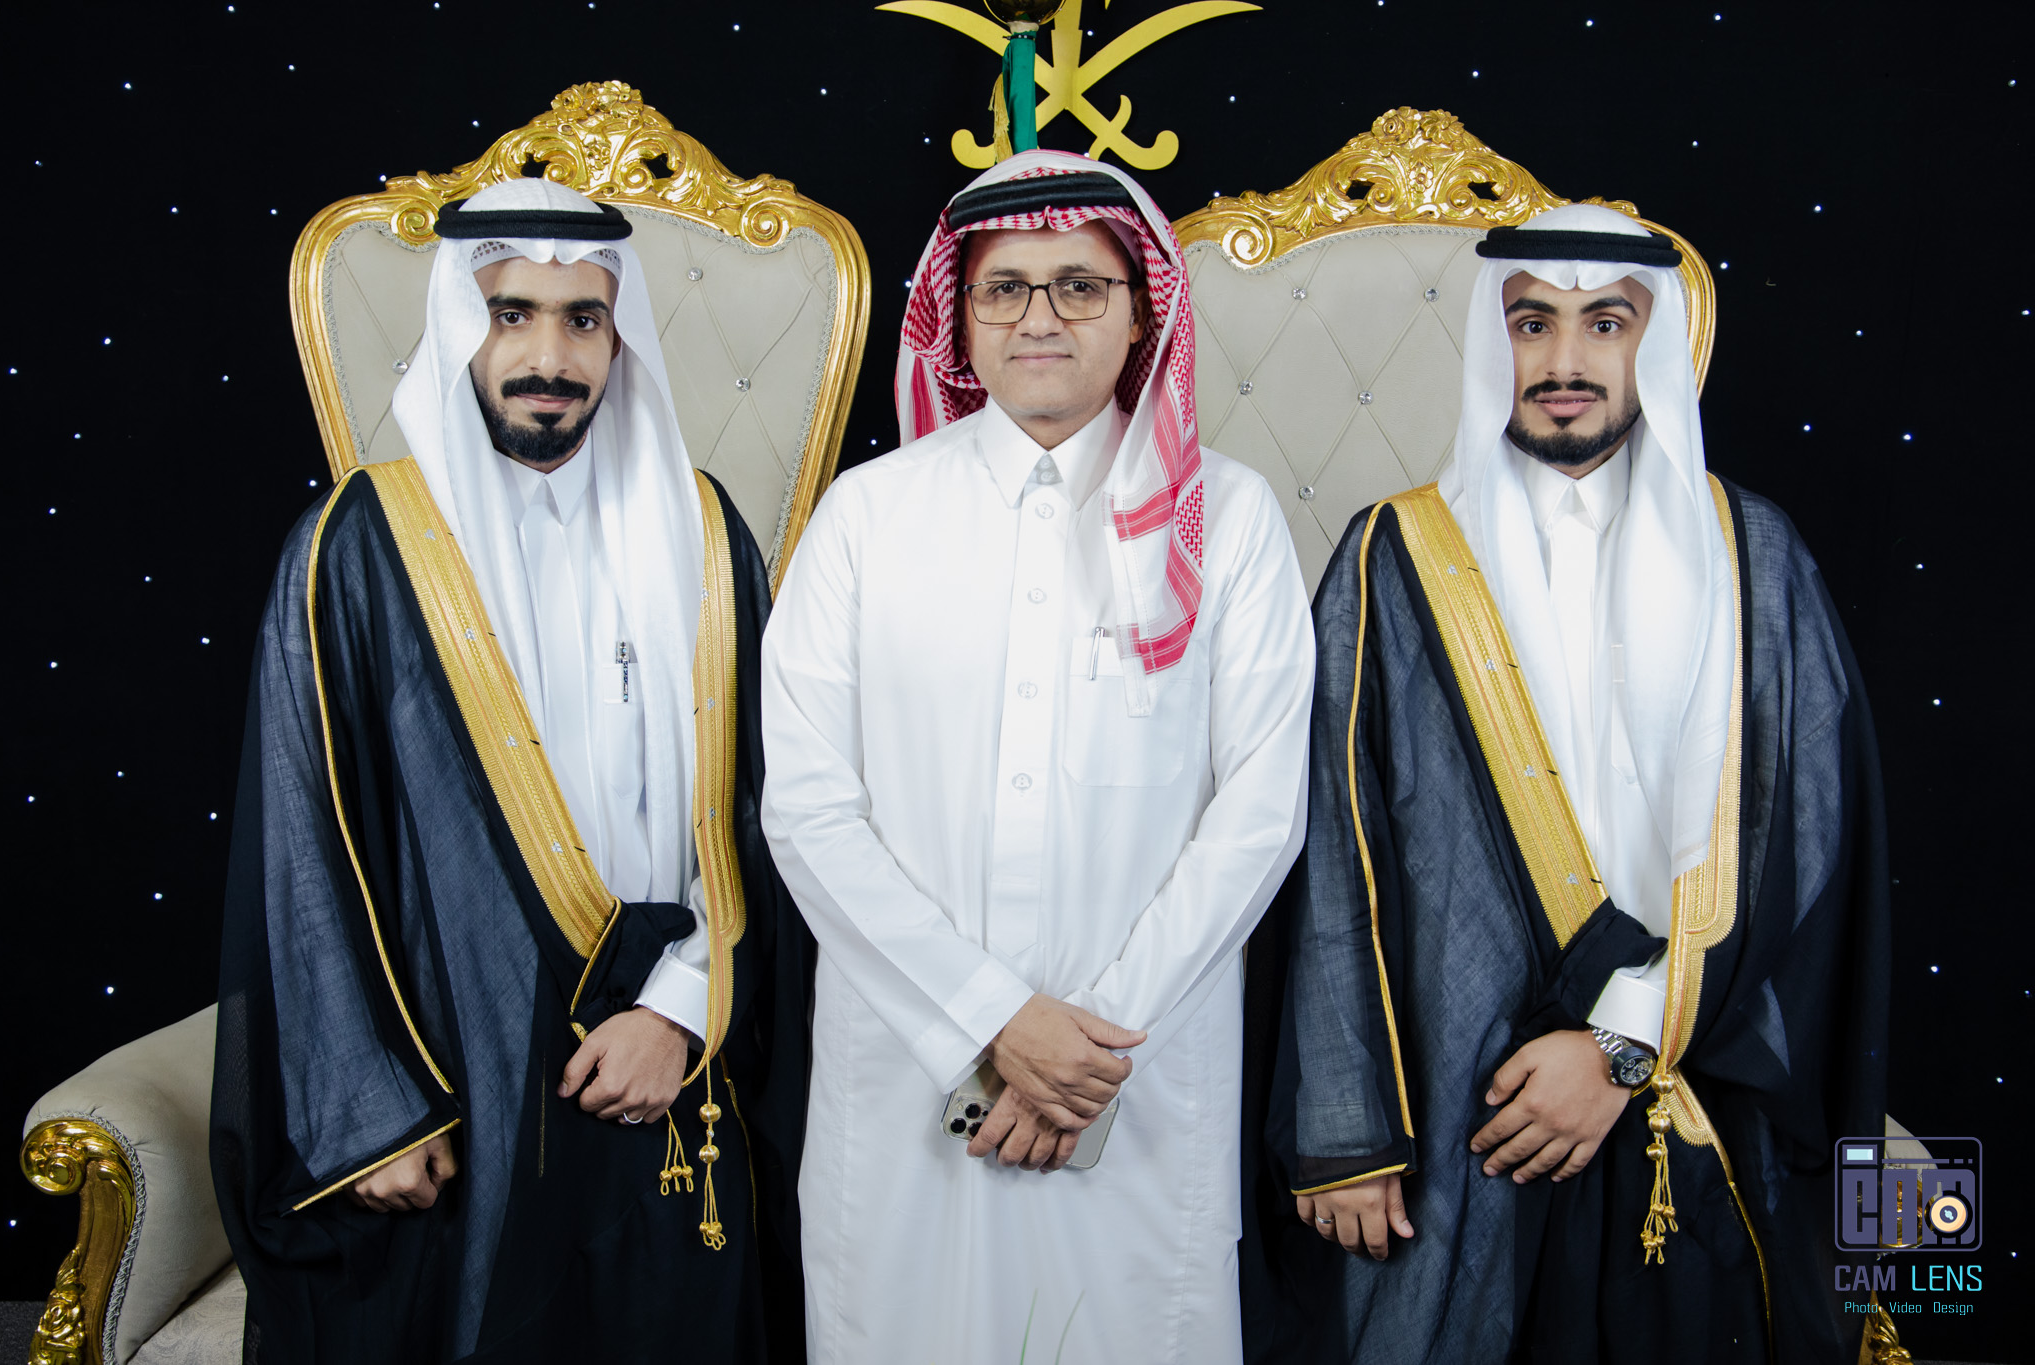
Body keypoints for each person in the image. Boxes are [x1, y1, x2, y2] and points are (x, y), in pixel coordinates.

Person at [1243, 203, 1889, 1363]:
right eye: (1530, 323)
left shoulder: (1753, 556)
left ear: (1655, 344)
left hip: (1697, 1064)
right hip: (1455, 1094)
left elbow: (1810, 845)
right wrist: (1347, 1133)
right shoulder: (1393, 555)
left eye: (1605, 324)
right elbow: (1334, 854)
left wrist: (1623, 1045)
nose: (1563, 361)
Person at [211, 178, 812, 1364]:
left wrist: (681, 1009)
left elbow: (766, 805)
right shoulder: (356, 546)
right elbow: (301, 844)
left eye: (583, 319)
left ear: (619, 336)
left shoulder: (700, 532)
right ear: (460, 327)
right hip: (452, 1080)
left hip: (668, 1061)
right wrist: (372, 1114)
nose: (549, 356)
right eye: (511, 314)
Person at [760, 152, 1313, 1362]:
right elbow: (806, 811)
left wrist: (1087, 1047)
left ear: (1140, 312)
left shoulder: (1230, 519)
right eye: (1004, 290)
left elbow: (1259, 812)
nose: (1039, 319)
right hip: (905, 1068)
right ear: (958, 322)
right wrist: (989, 1022)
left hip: (1134, 1076)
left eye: (1079, 286)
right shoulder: (865, 518)